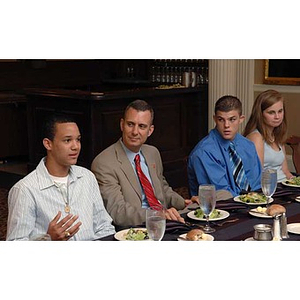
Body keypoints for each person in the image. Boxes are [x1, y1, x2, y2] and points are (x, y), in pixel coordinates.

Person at [6, 114, 115, 241]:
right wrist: (49, 240)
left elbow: (104, 227)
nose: (75, 146)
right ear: (48, 144)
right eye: (67, 140)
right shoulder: (25, 190)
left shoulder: (87, 177)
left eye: (78, 139)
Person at [91, 99, 197, 227]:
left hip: (165, 223)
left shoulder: (152, 153)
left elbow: (163, 189)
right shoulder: (104, 163)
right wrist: (157, 215)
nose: (135, 132)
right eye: (130, 124)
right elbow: (118, 211)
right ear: (122, 124)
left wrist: (185, 203)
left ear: (150, 130)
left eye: (142, 126)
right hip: (135, 230)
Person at [187, 95, 262, 197]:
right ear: (215, 119)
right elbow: (222, 194)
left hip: (252, 204)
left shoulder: (247, 145)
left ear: (241, 119)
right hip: (219, 208)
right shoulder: (204, 152)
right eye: (221, 120)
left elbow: (256, 183)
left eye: (232, 119)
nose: (226, 125)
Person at [243, 89, 293, 182]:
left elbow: (286, 171)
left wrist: (295, 182)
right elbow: (258, 176)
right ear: (260, 114)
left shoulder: (277, 135)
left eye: (280, 111)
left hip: (285, 185)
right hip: (271, 189)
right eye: (271, 112)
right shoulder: (256, 137)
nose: (277, 116)